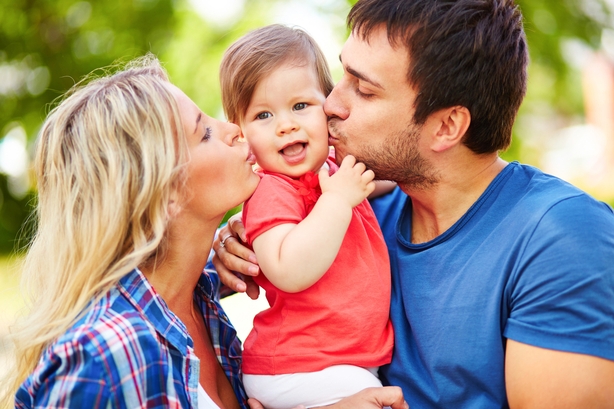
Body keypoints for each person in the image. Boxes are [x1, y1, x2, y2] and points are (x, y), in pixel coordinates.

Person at [213, 0, 614, 408]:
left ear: (446, 126)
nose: (331, 104)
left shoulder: (561, 238)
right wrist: (238, 241)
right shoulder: (354, 213)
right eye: (342, 76)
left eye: (364, 89)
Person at [0, 55, 260, 409]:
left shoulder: (200, 298)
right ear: (163, 192)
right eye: (206, 133)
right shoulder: (102, 357)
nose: (234, 130)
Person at [217, 24, 394, 409]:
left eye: (300, 106)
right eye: (263, 115)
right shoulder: (271, 190)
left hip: (337, 362)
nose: (286, 125)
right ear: (242, 135)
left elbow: (378, 179)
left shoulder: (332, 170)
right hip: (298, 368)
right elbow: (287, 268)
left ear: (327, 108)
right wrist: (338, 202)